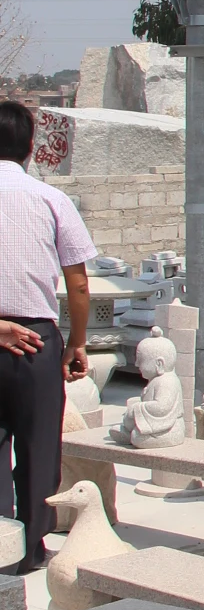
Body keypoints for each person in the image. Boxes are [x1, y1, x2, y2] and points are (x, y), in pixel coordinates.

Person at [0, 98, 94, 572]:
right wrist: (77, 341)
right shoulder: (51, 199)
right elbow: (78, 283)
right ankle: (32, 549)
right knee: (39, 449)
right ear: (31, 145)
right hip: (37, 342)